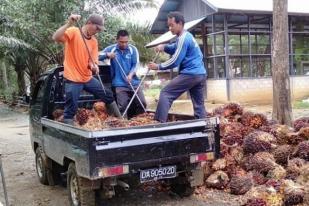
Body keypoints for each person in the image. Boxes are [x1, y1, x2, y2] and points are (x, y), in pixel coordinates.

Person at [52, 13, 121, 124]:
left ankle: (120, 120)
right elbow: (55, 37)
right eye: (97, 28)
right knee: (71, 108)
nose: (98, 31)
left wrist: (94, 67)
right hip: (73, 78)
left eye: (99, 29)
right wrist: (69, 23)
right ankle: (71, 133)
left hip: (87, 78)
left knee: (107, 94)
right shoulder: (74, 31)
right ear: (89, 23)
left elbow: (93, 61)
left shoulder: (93, 41)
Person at [147, 11, 207, 123]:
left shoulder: (183, 38)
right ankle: (203, 127)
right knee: (199, 105)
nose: (170, 28)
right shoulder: (186, 36)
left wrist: (158, 66)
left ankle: (159, 124)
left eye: (172, 25)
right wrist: (164, 47)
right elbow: (175, 47)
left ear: (180, 23)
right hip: (200, 74)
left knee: (166, 93)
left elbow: (175, 60)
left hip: (191, 74)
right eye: (168, 25)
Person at [99, 30, 147, 118]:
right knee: (123, 106)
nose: (124, 44)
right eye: (121, 42)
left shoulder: (133, 49)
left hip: (134, 82)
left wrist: (131, 74)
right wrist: (107, 55)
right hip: (119, 83)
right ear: (117, 40)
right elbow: (96, 56)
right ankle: (123, 124)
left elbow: (135, 64)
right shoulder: (112, 49)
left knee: (142, 103)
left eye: (126, 42)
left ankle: (138, 121)